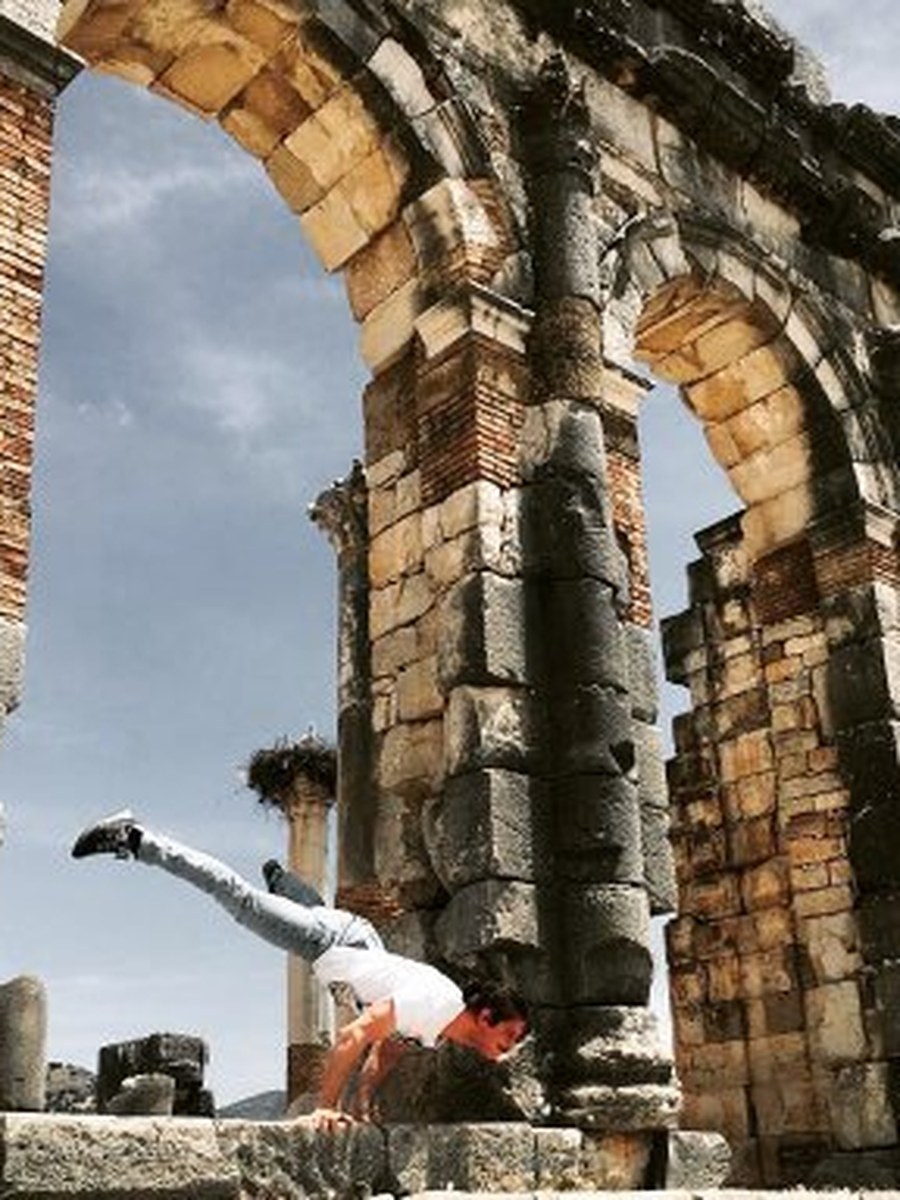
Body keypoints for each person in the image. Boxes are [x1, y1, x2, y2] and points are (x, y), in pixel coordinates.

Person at [71, 810, 529, 1127]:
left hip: (356, 945)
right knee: (240, 899)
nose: (507, 1050)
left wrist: (365, 1101)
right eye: (507, 1037)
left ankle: (287, 887)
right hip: (334, 943)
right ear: (486, 1017)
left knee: (306, 911)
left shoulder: (436, 1028)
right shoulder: (436, 1004)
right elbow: (354, 1038)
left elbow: (384, 1052)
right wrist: (325, 1107)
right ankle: (136, 838)